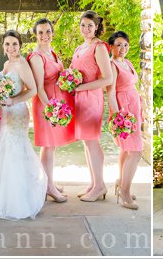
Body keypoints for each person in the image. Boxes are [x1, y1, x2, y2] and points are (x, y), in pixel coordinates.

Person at [0, 30, 47, 220]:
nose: (11, 48)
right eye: (7, 44)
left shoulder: (22, 64)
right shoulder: (7, 64)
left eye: (14, 44)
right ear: (3, 46)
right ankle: (2, 196)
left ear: (20, 45)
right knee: (2, 149)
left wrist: (13, 101)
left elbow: (32, 90)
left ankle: (19, 200)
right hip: (4, 112)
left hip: (16, 112)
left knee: (15, 149)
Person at [27, 18, 75, 203]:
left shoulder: (53, 53)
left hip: (57, 102)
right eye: (40, 32)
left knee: (51, 146)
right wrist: (52, 110)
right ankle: (48, 187)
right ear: (36, 35)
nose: (44, 35)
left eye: (47, 31)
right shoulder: (37, 57)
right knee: (48, 145)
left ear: (52, 33)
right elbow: (39, 88)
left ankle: (48, 181)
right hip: (45, 104)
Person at [71, 11, 114, 202]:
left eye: (90, 25)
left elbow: (107, 78)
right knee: (86, 142)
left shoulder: (99, 47)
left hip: (91, 97)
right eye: (83, 25)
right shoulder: (80, 47)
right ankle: (93, 183)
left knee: (92, 141)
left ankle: (100, 186)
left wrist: (81, 87)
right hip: (80, 98)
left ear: (96, 27)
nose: (86, 29)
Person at [106, 31, 143, 210]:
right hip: (124, 110)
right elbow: (111, 91)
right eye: (119, 45)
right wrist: (118, 115)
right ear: (111, 46)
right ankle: (125, 193)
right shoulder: (112, 65)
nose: (123, 48)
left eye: (125, 45)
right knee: (136, 151)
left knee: (126, 150)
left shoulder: (126, 62)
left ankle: (122, 183)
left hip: (134, 108)